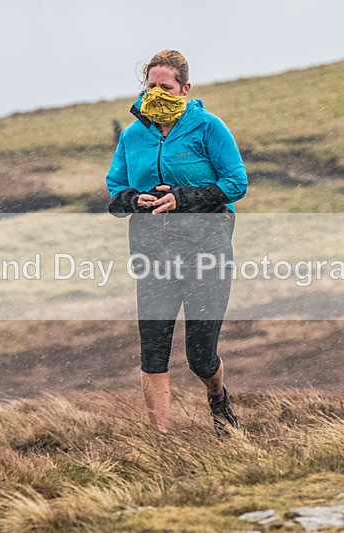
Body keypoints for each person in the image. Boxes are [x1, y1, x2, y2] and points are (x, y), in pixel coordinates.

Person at [105, 50, 248, 435]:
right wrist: (135, 199)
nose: (156, 93)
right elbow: (115, 191)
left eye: (165, 87)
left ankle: (217, 397)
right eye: (150, 86)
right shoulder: (132, 136)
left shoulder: (208, 127)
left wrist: (183, 198)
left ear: (185, 89)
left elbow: (236, 184)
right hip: (153, 256)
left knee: (200, 356)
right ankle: (162, 441)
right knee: (153, 354)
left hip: (207, 254)